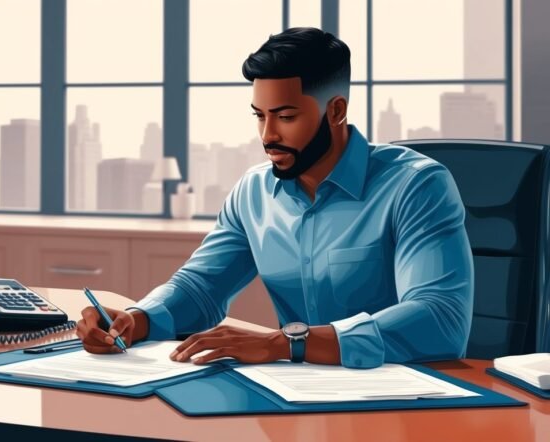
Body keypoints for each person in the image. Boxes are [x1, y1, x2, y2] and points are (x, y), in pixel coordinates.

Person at [76, 27, 474, 369]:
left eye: (285, 117)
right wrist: (136, 320)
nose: (268, 135)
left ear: (336, 111)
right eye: (259, 116)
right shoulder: (254, 193)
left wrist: (287, 343)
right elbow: (201, 287)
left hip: (407, 397)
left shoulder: (416, 186)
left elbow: (440, 319)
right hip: (296, 393)